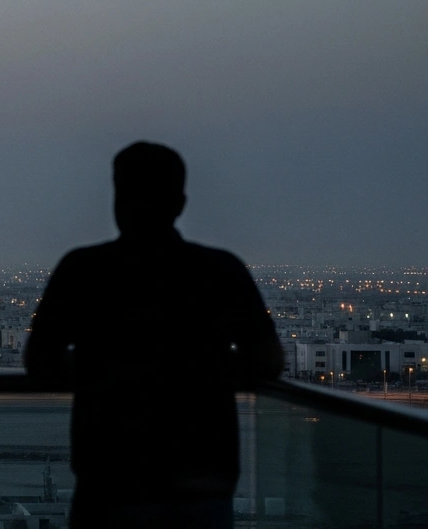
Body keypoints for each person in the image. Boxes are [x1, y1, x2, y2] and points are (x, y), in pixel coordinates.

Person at [24, 142, 283, 528]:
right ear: (180, 202)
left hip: (110, 478)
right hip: (201, 478)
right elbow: (268, 362)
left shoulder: (83, 271)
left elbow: (40, 361)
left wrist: (104, 369)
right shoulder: (220, 272)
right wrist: (201, 371)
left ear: (117, 200)